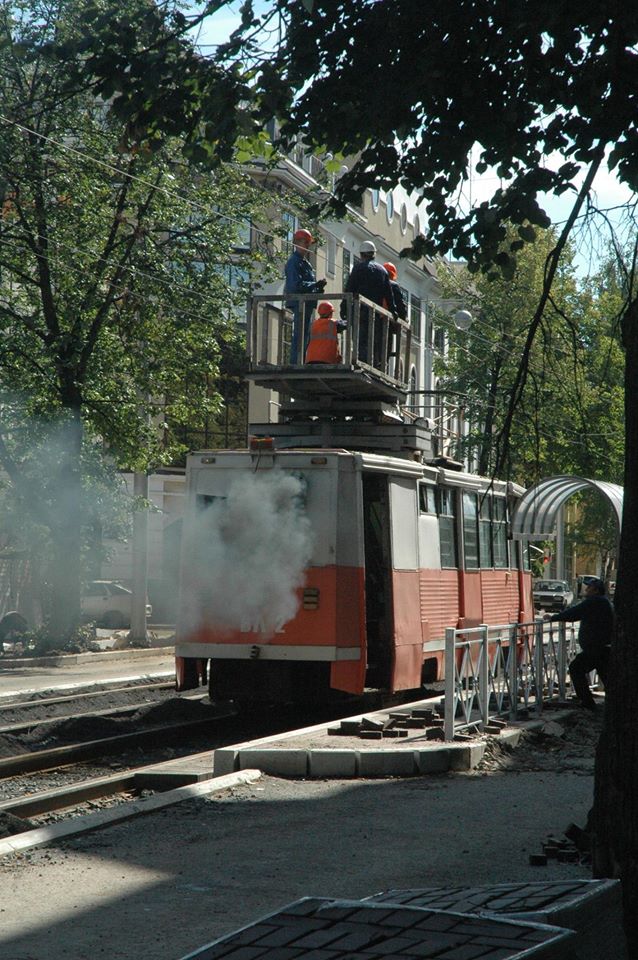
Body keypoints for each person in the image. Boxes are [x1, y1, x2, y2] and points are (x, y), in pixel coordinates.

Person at [550, 578, 614, 711]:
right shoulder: (603, 602)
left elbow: (574, 613)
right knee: (607, 678)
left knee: (576, 668)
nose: (586, 589)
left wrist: (554, 617)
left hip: (596, 649)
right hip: (603, 648)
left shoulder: (594, 601)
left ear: (595, 590)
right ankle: (616, 707)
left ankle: (587, 702)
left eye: (589, 587)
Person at [342, 240, 395, 366]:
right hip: (375, 314)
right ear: (374, 254)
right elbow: (389, 295)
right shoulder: (382, 271)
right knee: (373, 341)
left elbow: (349, 289)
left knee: (360, 341)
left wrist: (344, 309)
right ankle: (372, 364)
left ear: (361, 255)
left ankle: (361, 363)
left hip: (359, 313)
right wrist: (393, 311)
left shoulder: (358, 268)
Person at [284, 228, 326, 364]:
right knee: (299, 334)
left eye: (309, 243)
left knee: (305, 334)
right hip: (299, 303)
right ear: (297, 243)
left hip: (307, 303)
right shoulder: (293, 262)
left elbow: (306, 285)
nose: (307, 246)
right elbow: (295, 285)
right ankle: (296, 362)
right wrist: (314, 285)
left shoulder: (305, 263)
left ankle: (301, 360)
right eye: (305, 242)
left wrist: (318, 288)